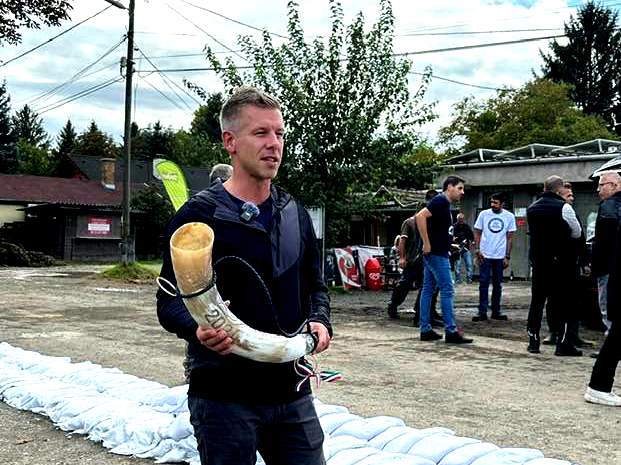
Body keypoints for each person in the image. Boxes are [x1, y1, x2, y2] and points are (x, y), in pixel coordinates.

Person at [157, 87, 331, 465]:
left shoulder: (294, 214)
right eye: (261, 133)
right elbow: (169, 301)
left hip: (291, 389)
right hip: (223, 397)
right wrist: (196, 328)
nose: (274, 144)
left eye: (280, 134)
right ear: (230, 142)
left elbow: (314, 286)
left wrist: (319, 319)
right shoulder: (198, 217)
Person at [526, 175, 582, 356]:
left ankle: (533, 340)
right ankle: (564, 344)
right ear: (559, 190)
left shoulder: (532, 208)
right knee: (565, 303)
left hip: (539, 262)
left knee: (537, 302)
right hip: (561, 262)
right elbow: (576, 232)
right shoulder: (564, 207)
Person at [415, 175, 473, 344]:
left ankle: (425, 329)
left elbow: (440, 230)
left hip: (437, 251)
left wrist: (449, 244)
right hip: (436, 254)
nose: (462, 192)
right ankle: (451, 331)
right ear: (450, 187)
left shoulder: (444, 204)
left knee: (428, 288)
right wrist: (426, 243)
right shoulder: (440, 201)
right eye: (460, 188)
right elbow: (420, 217)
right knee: (447, 289)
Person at [585, 195, 621, 406]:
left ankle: (598, 386)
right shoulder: (611, 209)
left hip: (614, 277)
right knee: (617, 336)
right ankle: (598, 386)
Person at [386, 189, 440, 323]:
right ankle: (393, 304)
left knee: (429, 286)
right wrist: (402, 257)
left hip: (426, 259)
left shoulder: (431, 223)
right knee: (405, 284)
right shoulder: (410, 222)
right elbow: (402, 240)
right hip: (412, 259)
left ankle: (425, 310)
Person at [472, 193, 516, 322]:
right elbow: (478, 233)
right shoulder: (484, 215)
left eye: (495, 203)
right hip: (485, 255)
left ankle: (496, 311)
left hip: (499, 256)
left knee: (498, 284)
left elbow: (510, 237)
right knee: (483, 283)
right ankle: (482, 312)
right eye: (491, 202)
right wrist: (478, 250)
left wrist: (507, 256)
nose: (492, 205)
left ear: (502, 204)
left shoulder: (509, 216)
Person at [591, 171, 621, 335]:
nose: (598, 189)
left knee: (608, 308)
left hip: (608, 266)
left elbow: (605, 240)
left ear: (614, 185)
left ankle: (610, 352)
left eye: (602, 185)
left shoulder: (608, 206)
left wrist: (595, 263)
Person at [452, 213, 474, 285]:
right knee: (457, 265)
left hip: (466, 248)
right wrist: (454, 240)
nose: (461, 220)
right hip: (457, 248)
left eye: (462, 219)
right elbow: (450, 237)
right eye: (459, 219)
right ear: (457, 219)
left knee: (469, 264)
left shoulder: (467, 227)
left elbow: (471, 236)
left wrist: (472, 242)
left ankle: (469, 279)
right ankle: (458, 280)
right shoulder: (453, 227)